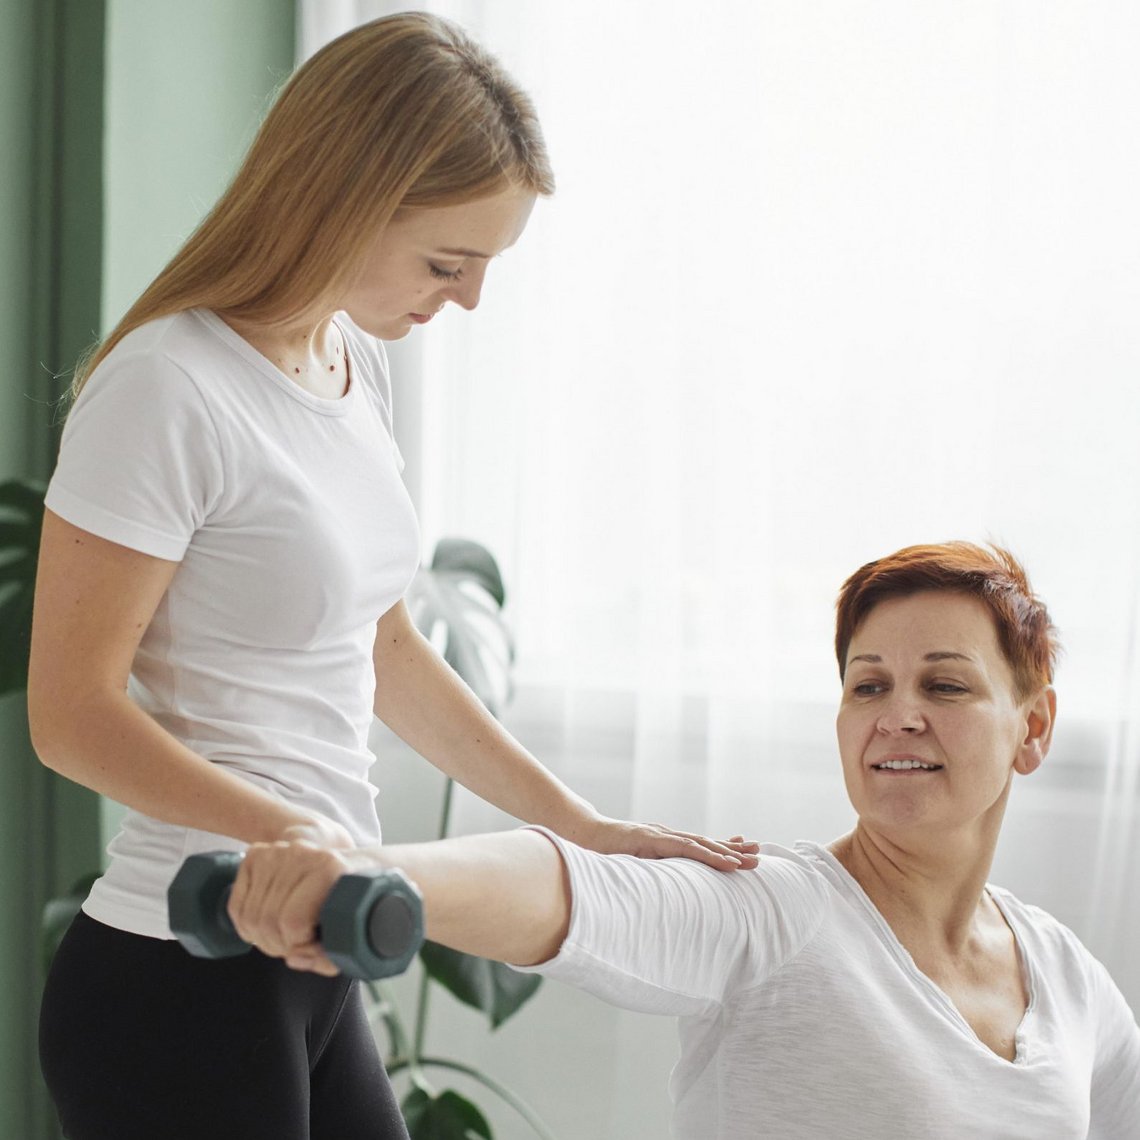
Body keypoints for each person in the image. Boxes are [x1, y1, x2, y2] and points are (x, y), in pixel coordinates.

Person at [28, 13, 757, 1140]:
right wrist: (297, 834)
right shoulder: (168, 386)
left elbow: (387, 646)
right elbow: (71, 715)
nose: (465, 301)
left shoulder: (344, 363)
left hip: (314, 949)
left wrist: (585, 828)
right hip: (178, 970)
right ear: (346, 197)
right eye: (446, 261)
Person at [229, 542, 1140, 1139]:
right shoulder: (776, 909)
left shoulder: (1066, 982)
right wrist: (368, 873)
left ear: (1034, 727)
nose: (897, 717)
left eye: (944, 687)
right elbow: (566, 891)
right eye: (869, 688)